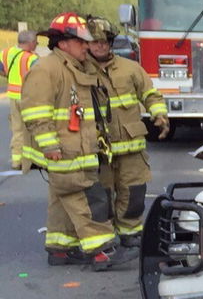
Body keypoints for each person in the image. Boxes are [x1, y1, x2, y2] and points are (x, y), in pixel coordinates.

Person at [19, 14, 133, 269]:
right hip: (61, 150)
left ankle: (60, 250)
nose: (86, 46)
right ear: (63, 43)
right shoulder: (46, 70)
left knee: (61, 198)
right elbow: (35, 113)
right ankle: (102, 251)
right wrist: (50, 146)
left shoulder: (72, 67)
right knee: (82, 196)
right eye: (81, 42)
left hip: (73, 148)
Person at [86, 17, 168, 245]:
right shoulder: (79, 70)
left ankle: (130, 233)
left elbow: (151, 94)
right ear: (87, 44)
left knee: (133, 192)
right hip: (98, 147)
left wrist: (159, 115)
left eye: (105, 41)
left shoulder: (130, 68)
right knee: (100, 195)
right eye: (95, 42)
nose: (100, 46)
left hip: (131, 145)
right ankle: (103, 236)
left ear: (111, 43)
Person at [3, 29, 39, 169]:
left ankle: (16, 160)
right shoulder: (31, 58)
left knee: (17, 129)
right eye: (36, 42)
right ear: (30, 43)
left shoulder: (6, 53)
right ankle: (29, 161)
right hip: (28, 98)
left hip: (12, 96)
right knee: (31, 129)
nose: (36, 45)